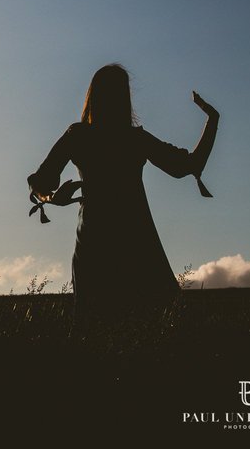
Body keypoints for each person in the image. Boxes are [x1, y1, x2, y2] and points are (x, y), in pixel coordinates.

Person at [27, 63, 219, 321]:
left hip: (97, 242)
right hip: (135, 241)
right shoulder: (133, 139)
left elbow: (40, 183)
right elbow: (190, 165)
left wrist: (52, 198)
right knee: (151, 326)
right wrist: (212, 120)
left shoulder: (81, 136)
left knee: (95, 327)